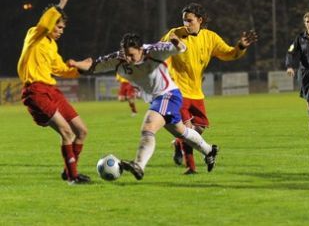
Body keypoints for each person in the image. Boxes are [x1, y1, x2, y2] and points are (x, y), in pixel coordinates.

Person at [71, 33, 219, 180]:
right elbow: (93, 65)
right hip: (155, 99)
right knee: (181, 132)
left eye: (131, 55)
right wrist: (76, 64)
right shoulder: (118, 59)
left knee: (148, 128)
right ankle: (209, 150)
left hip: (168, 95)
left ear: (141, 49)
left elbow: (181, 48)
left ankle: (139, 165)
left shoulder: (154, 51)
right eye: (125, 55)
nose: (128, 59)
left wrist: (177, 42)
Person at [161, 2, 257, 174]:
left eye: (189, 20)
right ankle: (191, 168)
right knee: (187, 130)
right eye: (184, 20)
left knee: (199, 128)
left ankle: (178, 143)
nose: (186, 24)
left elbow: (229, 54)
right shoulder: (175, 34)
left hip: (196, 92)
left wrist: (240, 47)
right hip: (177, 91)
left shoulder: (210, 37)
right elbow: (159, 51)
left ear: (200, 20)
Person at [17, 0, 91, 185]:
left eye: (63, 29)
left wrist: (80, 67)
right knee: (66, 132)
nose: (60, 31)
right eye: (58, 27)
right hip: (36, 92)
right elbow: (46, 21)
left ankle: (69, 171)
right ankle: (73, 177)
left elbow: (60, 69)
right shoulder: (35, 34)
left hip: (52, 91)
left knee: (82, 131)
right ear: (50, 24)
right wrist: (61, 4)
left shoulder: (51, 45)